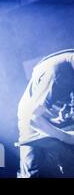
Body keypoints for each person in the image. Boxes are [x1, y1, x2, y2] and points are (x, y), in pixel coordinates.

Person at [17, 49, 74, 177]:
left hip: (52, 112)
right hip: (32, 117)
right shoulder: (60, 74)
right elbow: (33, 118)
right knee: (35, 171)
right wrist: (68, 138)